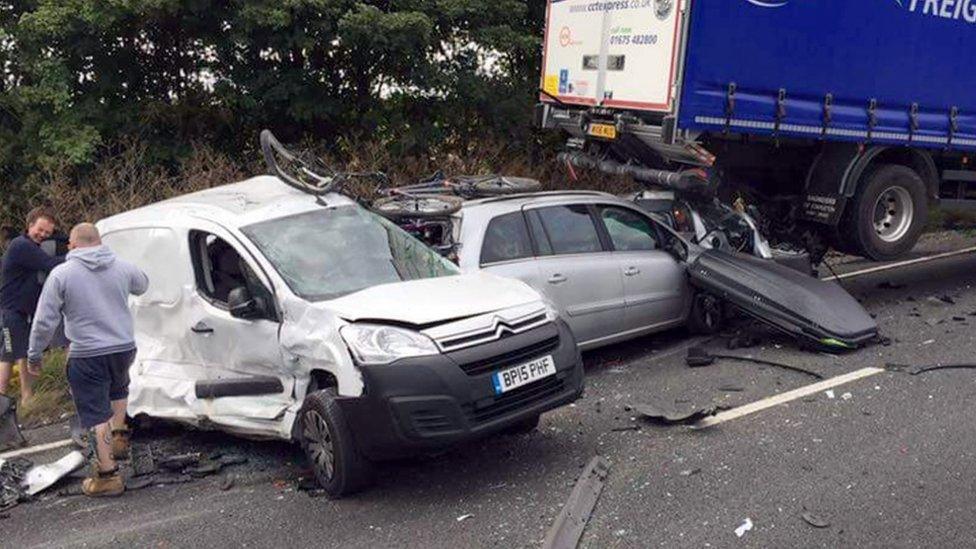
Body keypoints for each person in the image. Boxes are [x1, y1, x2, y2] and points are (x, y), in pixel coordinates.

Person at [28, 223, 148, 497]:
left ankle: (107, 476)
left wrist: (35, 353)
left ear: (72, 244)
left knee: (95, 414)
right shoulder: (121, 266)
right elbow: (143, 284)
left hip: (88, 353)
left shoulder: (62, 274)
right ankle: (118, 440)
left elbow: (45, 320)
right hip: (123, 347)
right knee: (118, 390)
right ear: (99, 241)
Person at [0, 207, 64, 402]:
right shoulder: (22, 246)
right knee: (15, 353)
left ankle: (13, 397)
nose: (43, 235)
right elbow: (50, 264)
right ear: (30, 226)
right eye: (40, 230)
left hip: (22, 310)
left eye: (47, 232)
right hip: (10, 309)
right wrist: (78, 255)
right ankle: (24, 397)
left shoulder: (32, 246)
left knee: (13, 354)